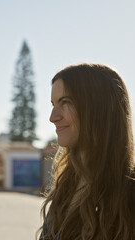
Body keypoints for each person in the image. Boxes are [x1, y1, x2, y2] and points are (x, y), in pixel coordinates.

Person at [39, 63, 135, 240]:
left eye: (66, 102)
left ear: (100, 108)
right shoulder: (66, 186)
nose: (53, 117)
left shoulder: (129, 195)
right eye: (53, 104)